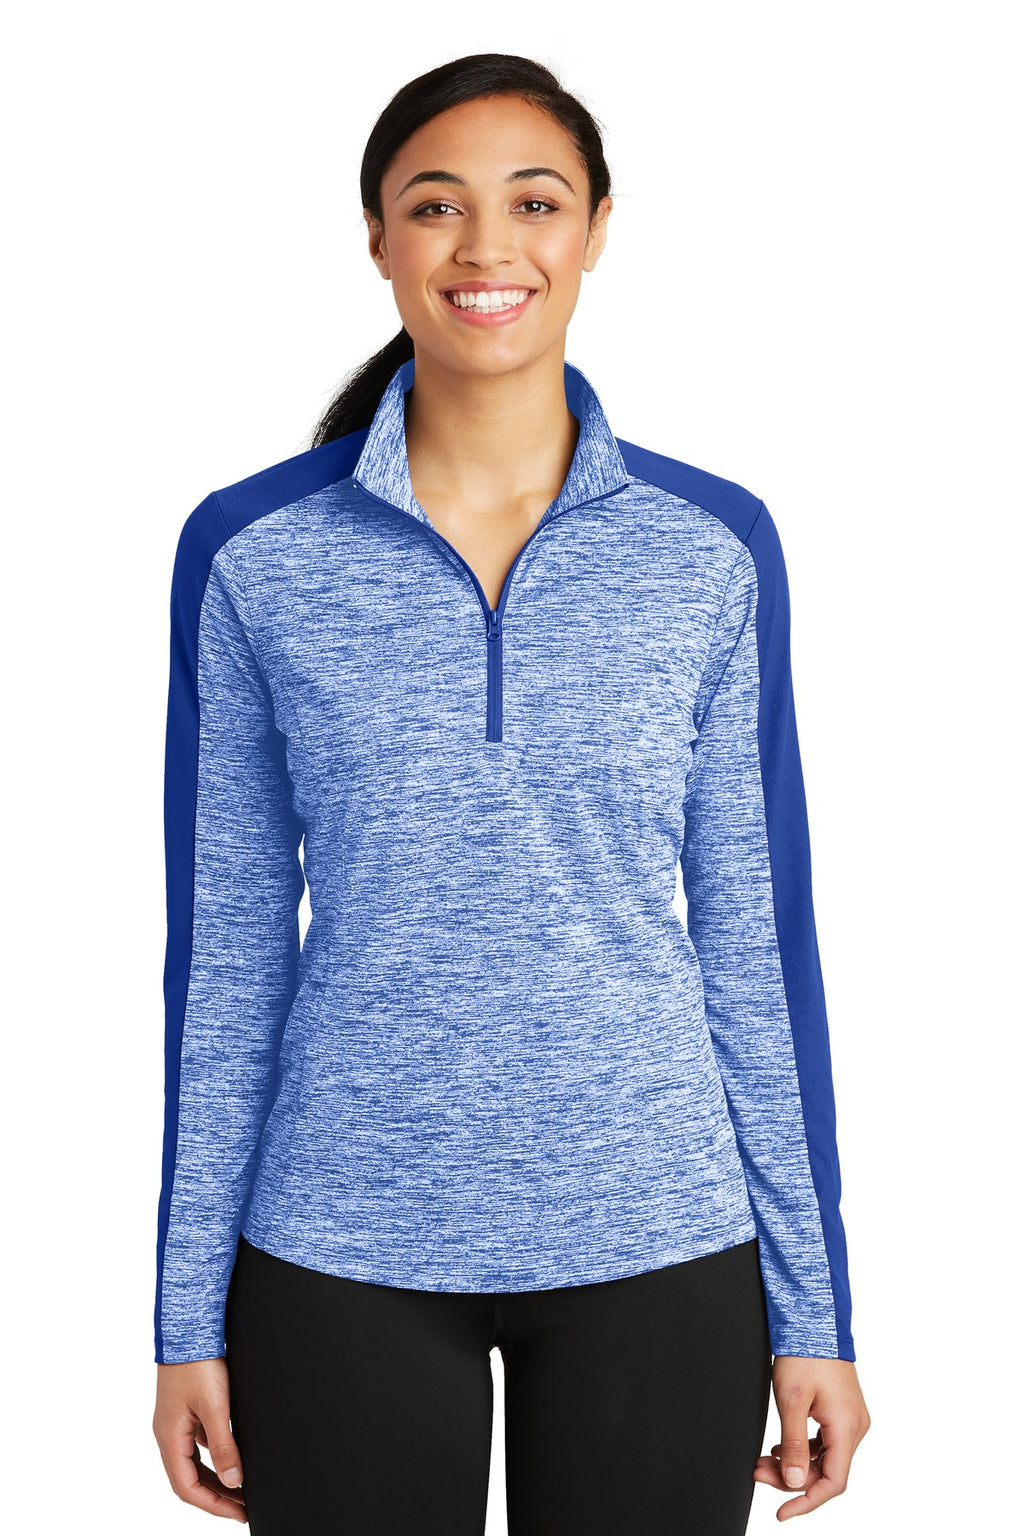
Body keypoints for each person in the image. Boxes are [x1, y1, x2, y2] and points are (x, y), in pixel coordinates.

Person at [151, 52, 870, 1533]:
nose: (487, 247)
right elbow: (226, 961)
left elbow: (757, 943)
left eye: (534, 203)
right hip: (336, 1247)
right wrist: (184, 1316)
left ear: (596, 228)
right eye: (437, 206)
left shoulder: (710, 549)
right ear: (377, 237)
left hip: (661, 1242)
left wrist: (818, 1311)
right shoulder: (253, 554)